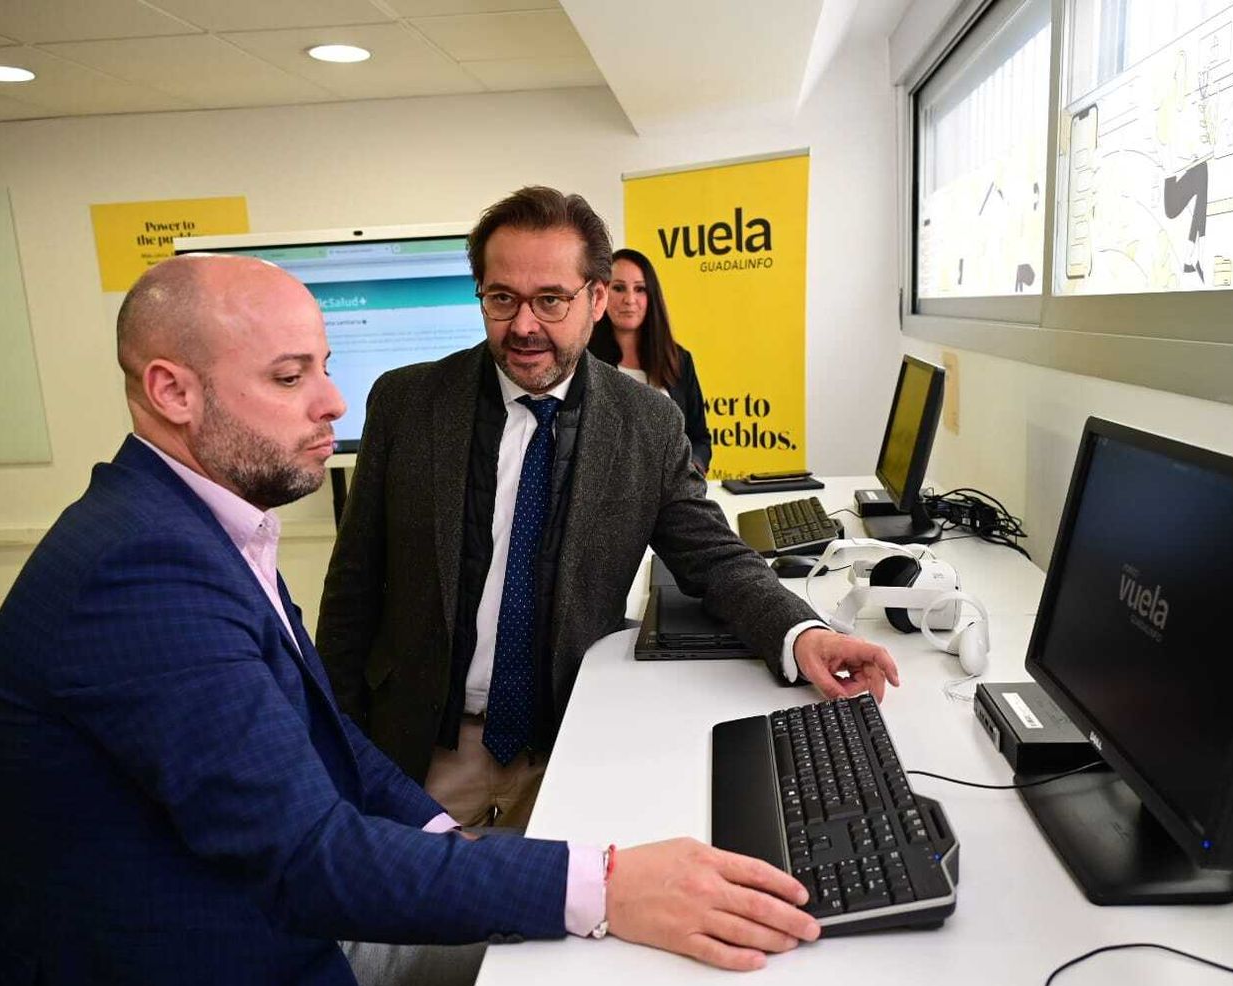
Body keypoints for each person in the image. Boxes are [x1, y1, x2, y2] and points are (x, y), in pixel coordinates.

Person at [0, 254, 822, 986]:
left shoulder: (199, 527)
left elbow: (324, 739)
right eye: (288, 376)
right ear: (172, 391)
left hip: (284, 944)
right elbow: (313, 857)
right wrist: (607, 884)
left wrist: (450, 841)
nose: (332, 402)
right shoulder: (140, 575)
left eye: (325, 368)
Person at [318, 186, 897, 830]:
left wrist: (804, 633)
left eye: (550, 299)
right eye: (501, 298)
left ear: (596, 299)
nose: (524, 325)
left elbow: (709, 554)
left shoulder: (647, 421)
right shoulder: (409, 403)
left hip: (571, 745)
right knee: (407, 929)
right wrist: (340, 745)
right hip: (423, 754)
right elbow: (352, 588)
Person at [589, 247, 713, 473]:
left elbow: (700, 439)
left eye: (640, 289)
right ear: (601, 295)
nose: (629, 299)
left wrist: (692, 469)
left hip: (673, 496)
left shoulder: (679, 359)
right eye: (618, 288)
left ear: (651, 296)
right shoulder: (584, 362)